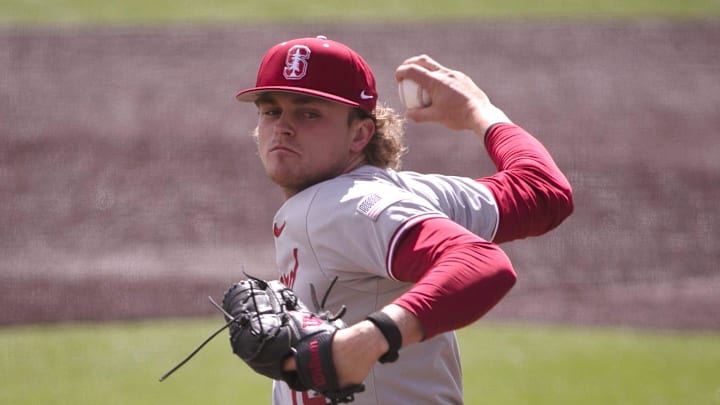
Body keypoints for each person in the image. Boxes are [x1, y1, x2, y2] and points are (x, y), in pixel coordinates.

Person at [235, 35, 573, 405]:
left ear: (360, 133)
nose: (282, 127)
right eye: (271, 111)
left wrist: (371, 338)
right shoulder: (409, 193)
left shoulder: (344, 206)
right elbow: (542, 191)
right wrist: (478, 111)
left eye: (309, 113)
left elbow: (481, 263)